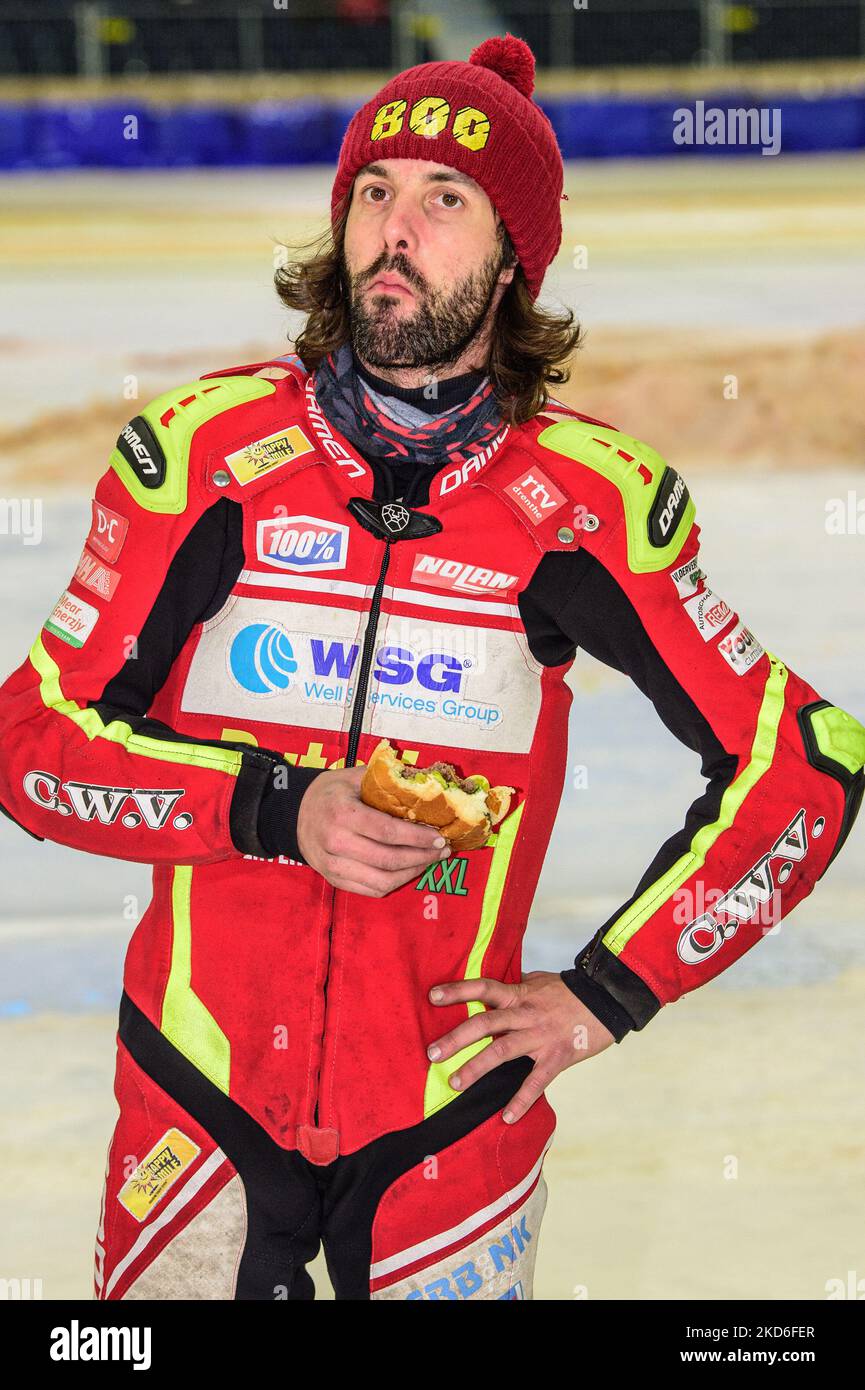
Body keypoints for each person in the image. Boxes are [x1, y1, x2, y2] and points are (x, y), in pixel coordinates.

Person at [0, 34, 862, 1302]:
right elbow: (29, 744)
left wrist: (603, 995)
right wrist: (276, 809)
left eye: (444, 201)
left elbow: (807, 763)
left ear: (516, 258)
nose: (394, 229)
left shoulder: (588, 506)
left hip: (447, 1152)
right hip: (194, 1133)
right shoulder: (198, 460)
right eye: (374, 191)